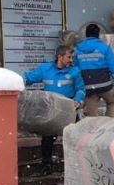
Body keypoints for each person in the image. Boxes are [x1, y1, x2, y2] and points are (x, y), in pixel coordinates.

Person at [23, 45, 85, 175]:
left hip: (69, 109)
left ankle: (76, 167)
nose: (71, 60)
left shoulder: (75, 71)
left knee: (75, 137)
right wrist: (16, 84)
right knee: (47, 138)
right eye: (69, 57)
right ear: (60, 57)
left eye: (72, 57)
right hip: (51, 109)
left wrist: (78, 99)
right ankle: (46, 166)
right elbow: (28, 78)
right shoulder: (46, 69)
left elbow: (81, 89)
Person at [73, 22, 114, 117]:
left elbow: (75, 69)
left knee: (92, 115)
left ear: (86, 34)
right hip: (105, 86)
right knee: (112, 101)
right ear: (98, 35)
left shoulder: (78, 49)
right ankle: (108, 123)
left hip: (88, 87)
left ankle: (93, 129)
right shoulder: (104, 47)